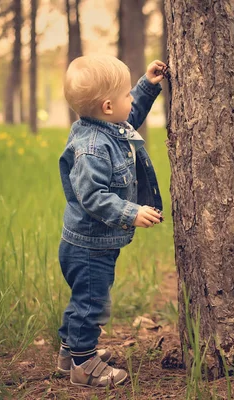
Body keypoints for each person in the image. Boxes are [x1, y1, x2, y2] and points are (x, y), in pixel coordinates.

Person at [56, 55, 166, 387]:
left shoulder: (105, 126)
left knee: (84, 300)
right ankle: (83, 366)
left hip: (93, 243)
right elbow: (93, 197)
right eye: (126, 94)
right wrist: (131, 213)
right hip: (88, 247)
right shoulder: (92, 148)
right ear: (107, 106)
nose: (130, 100)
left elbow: (130, 114)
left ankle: (69, 355)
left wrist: (146, 85)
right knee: (91, 304)